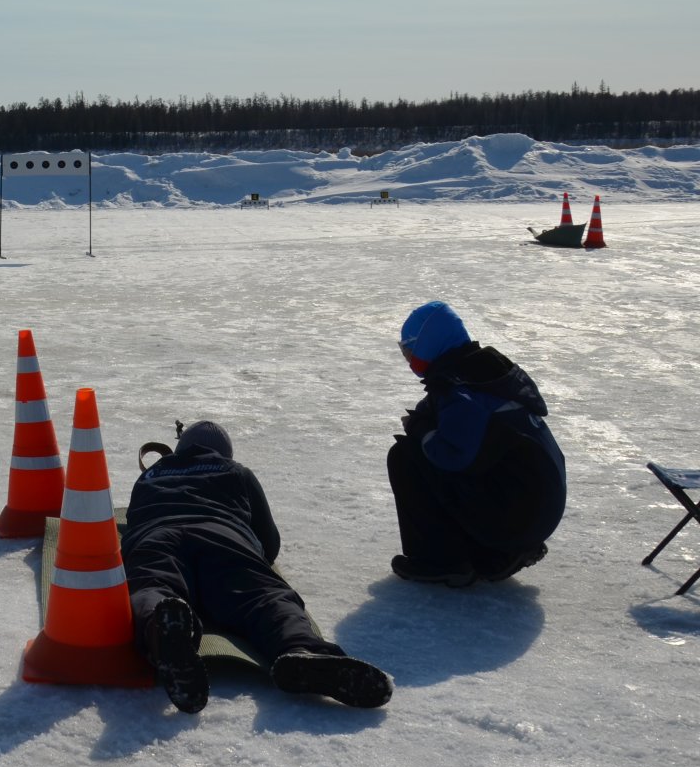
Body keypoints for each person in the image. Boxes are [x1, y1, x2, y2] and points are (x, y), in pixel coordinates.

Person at [125, 421, 394, 714]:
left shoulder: (149, 475)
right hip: (222, 536)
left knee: (151, 585)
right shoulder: (235, 471)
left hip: (157, 535)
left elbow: (133, 521)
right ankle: (299, 648)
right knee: (264, 597)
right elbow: (269, 542)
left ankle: (160, 627)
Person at [387, 301, 566, 587]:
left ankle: (440, 561)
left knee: (406, 457)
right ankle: (497, 553)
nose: (408, 357)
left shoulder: (457, 392)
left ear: (428, 345)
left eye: (409, 348)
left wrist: (419, 429)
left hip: (520, 519)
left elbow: (451, 455)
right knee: (448, 458)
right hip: (537, 511)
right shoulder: (484, 371)